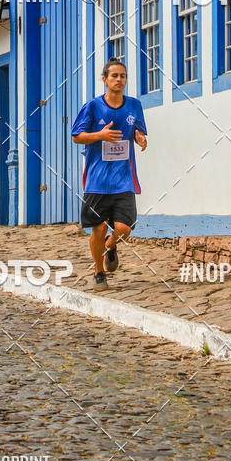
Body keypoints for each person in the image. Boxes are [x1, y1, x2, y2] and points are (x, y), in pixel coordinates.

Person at [71, 59, 147, 292]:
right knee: (99, 228)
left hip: (124, 178)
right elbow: (77, 135)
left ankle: (111, 245)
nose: (119, 80)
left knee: (124, 228)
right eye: (114, 76)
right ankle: (98, 271)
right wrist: (100, 135)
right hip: (97, 180)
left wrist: (140, 138)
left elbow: (138, 129)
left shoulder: (134, 105)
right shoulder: (93, 107)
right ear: (104, 79)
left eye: (123, 76)